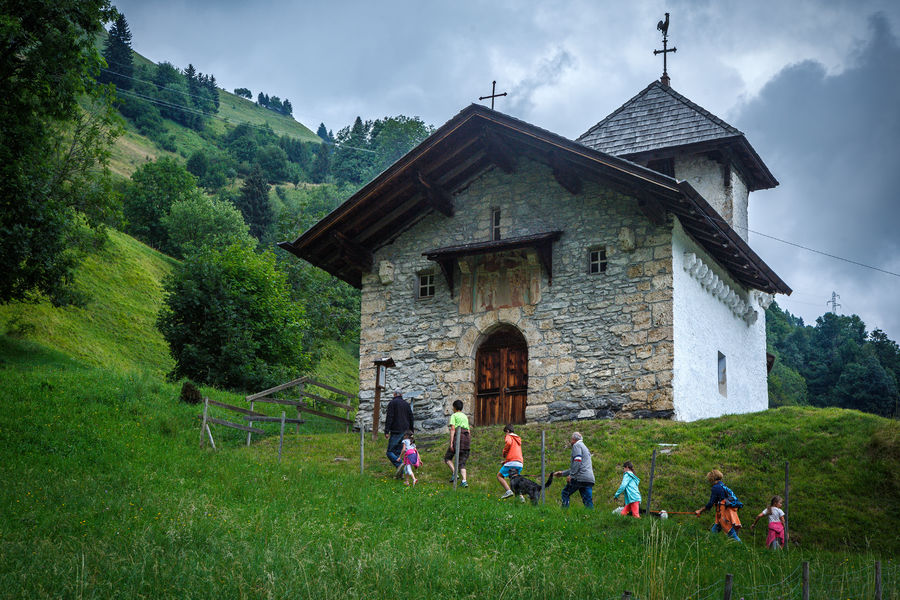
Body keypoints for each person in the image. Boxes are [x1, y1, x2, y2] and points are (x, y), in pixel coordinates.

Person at [694, 469, 743, 542]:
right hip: (729, 512)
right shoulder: (723, 486)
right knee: (714, 532)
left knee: (732, 534)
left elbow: (710, 503)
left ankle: (742, 547)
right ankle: (709, 543)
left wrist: (700, 511)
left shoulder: (716, 487)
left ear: (712, 478)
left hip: (724, 514)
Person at [553, 432, 595, 509]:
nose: (571, 442)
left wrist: (571, 476)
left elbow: (577, 461)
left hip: (579, 478)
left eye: (571, 439)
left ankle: (565, 513)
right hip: (589, 479)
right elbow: (580, 466)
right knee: (588, 501)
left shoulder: (576, 445)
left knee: (565, 493)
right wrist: (562, 473)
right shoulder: (585, 448)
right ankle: (591, 515)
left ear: (573, 439)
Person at [384, 390, 413, 475]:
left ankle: (400, 464)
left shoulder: (392, 403)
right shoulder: (406, 404)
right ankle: (401, 473)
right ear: (401, 395)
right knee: (397, 453)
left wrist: (386, 431)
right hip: (406, 432)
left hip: (396, 431)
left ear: (394, 394)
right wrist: (411, 431)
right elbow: (411, 417)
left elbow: (389, 417)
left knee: (390, 452)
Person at [444, 400, 471, 487]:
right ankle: (464, 481)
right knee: (462, 462)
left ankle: (455, 473)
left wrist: (451, 443)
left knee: (447, 457)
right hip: (466, 439)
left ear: (455, 407)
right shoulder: (465, 416)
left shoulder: (454, 415)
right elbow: (468, 430)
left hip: (458, 438)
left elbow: (453, 429)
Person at [498, 424, 523, 499]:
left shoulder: (509, 436)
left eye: (505, 432)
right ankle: (521, 497)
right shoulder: (517, 439)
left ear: (508, 431)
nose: (505, 434)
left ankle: (508, 491)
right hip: (519, 463)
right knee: (515, 480)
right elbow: (514, 453)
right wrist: (506, 461)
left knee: (499, 476)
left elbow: (508, 443)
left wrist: (504, 452)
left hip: (512, 462)